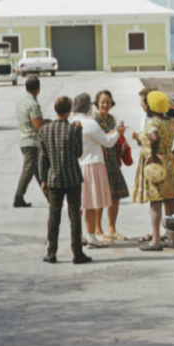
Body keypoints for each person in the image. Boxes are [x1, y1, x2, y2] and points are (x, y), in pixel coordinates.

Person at [132, 91, 174, 252]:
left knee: (155, 202)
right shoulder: (172, 122)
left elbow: (154, 137)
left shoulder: (153, 122)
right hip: (170, 161)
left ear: (151, 106)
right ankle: (172, 238)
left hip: (157, 164)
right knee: (170, 200)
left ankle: (156, 239)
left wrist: (153, 155)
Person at [38, 96, 91, 265]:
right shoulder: (74, 130)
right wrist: (79, 132)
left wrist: (42, 179)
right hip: (73, 178)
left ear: (55, 110)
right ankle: (77, 253)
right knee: (74, 215)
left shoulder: (44, 130)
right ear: (69, 111)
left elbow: (42, 158)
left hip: (53, 178)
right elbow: (78, 153)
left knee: (54, 216)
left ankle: (51, 252)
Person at [70, 94, 126, 249]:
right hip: (93, 164)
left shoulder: (72, 122)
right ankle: (92, 237)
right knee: (92, 204)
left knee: (81, 204)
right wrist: (118, 132)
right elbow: (108, 142)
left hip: (78, 165)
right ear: (89, 106)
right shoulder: (90, 123)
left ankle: (78, 235)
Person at [94, 90, 130, 242]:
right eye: (102, 102)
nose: (105, 105)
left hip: (112, 160)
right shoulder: (94, 120)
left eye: (108, 102)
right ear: (97, 103)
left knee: (115, 196)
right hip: (100, 161)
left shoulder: (111, 119)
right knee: (99, 197)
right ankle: (97, 229)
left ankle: (111, 228)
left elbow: (113, 138)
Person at [14, 77, 46, 208]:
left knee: (38, 171)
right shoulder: (33, 104)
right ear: (38, 89)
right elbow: (38, 125)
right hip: (31, 141)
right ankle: (18, 197)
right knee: (28, 171)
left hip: (23, 139)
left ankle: (50, 196)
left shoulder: (21, 101)